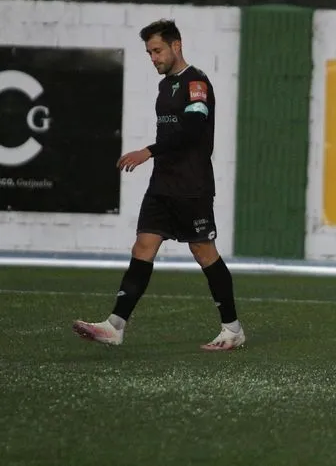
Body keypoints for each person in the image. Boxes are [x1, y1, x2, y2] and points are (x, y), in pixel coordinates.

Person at [72, 19, 246, 351]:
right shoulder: (165, 86)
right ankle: (115, 326)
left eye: (157, 50)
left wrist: (147, 151)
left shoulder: (196, 82)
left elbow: (194, 128)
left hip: (191, 186)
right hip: (162, 185)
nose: (153, 57)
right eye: (149, 52)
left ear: (176, 46)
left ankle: (233, 329)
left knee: (203, 252)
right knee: (142, 247)